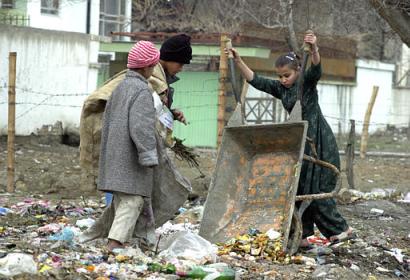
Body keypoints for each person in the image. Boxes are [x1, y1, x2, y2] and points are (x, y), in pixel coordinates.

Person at [229, 31, 353, 247]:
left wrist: (314, 49)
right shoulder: (281, 88)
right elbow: (256, 80)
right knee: (299, 188)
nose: (283, 80)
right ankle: (301, 235)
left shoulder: (306, 83)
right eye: (280, 76)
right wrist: (239, 61)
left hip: (319, 141)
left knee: (317, 190)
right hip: (300, 141)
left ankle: (340, 231)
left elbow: (316, 68)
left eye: (287, 75)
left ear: (298, 71)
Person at [79, 34, 192, 192]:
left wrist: (171, 113)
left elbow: (149, 109)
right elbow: (140, 121)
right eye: (180, 63)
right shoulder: (148, 81)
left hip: (128, 148)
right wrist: (149, 155)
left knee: (130, 200)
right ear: (167, 58)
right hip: (125, 147)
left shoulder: (155, 79)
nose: (181, 68)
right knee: (129, 200)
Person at [84, 40, 160, 251]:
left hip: (114, 156)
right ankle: (114, 245)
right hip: (129, 159)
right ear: (145, 67)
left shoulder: (120, 88)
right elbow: (141, 127)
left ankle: (132, 242)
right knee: (133, 201)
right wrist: (148, 155)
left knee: (122, 202)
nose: (153, 71)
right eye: (152, 66)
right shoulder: (141, 91)